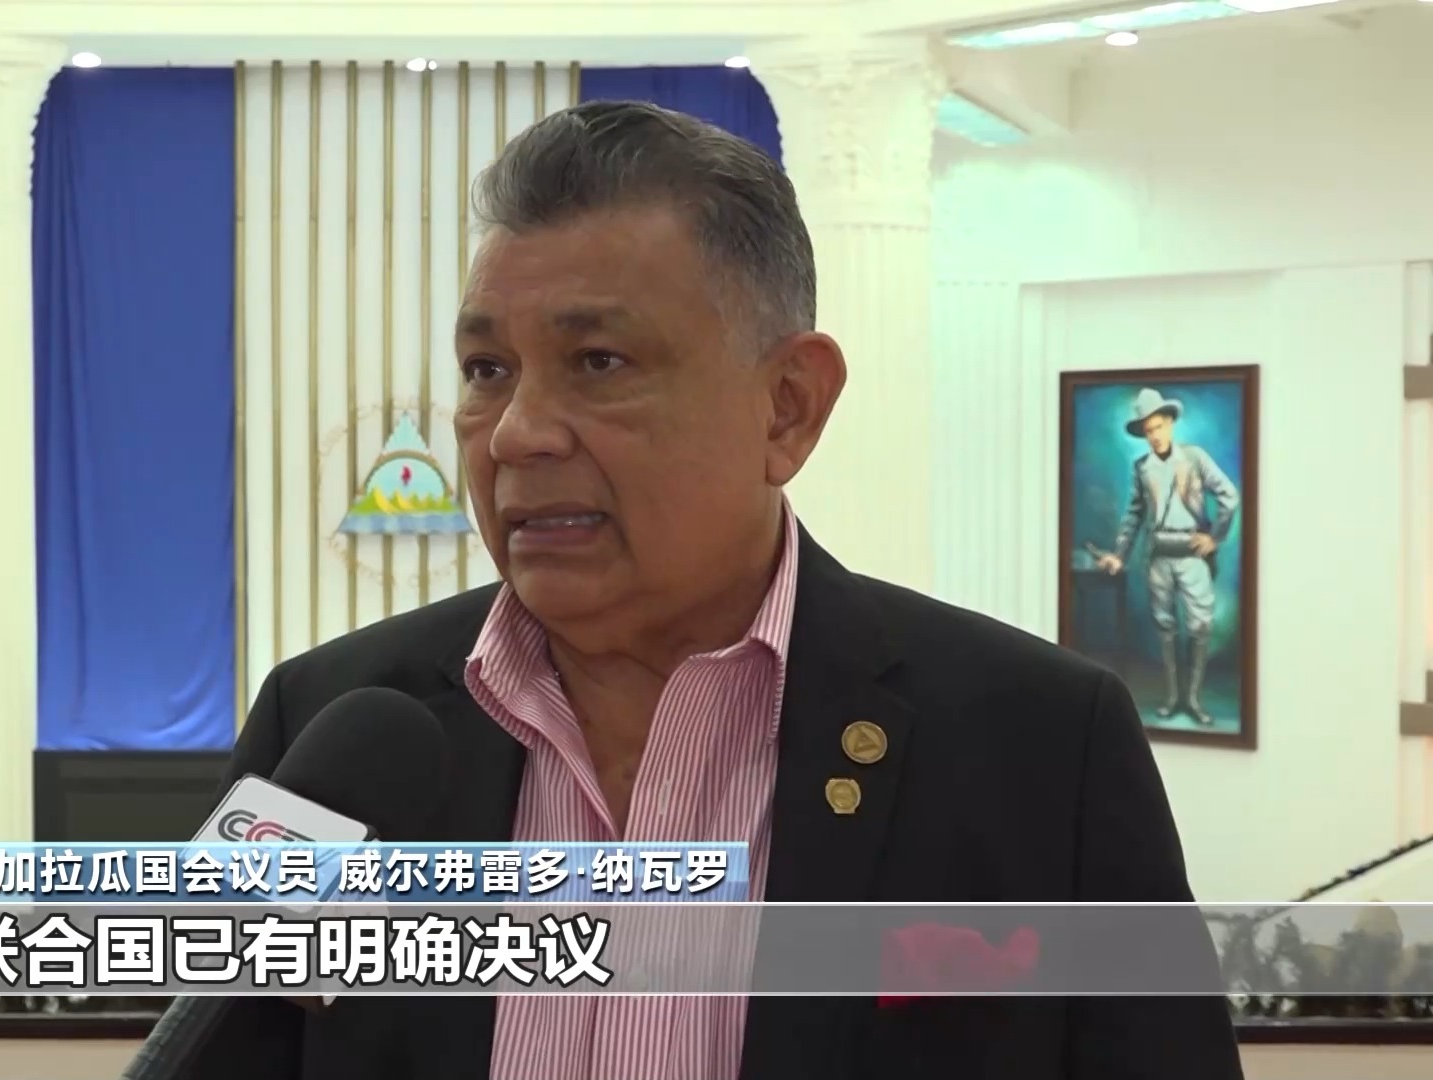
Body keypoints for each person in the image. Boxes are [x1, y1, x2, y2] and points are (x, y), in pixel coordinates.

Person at [187, 102, 1242, 1080]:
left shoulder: (1039, 750)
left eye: (598, 362)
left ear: (788, 406)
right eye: (486, 370)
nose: (516, 434)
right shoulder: (326, 735)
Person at [1095, 388, 1241, 726]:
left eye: (1159, 427)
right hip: (1158, 555)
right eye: (1148, 430)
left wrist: (1215, 538)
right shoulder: (1142, 468)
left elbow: (1229, 496)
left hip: (1192, 554)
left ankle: (1194, 699)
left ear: (1170, 424)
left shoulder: (1194, 458)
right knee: (1165, 625)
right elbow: (1133, 515)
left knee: (1200, 624)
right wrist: (1119, 555)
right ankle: (1174, 698)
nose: (1155, 435)